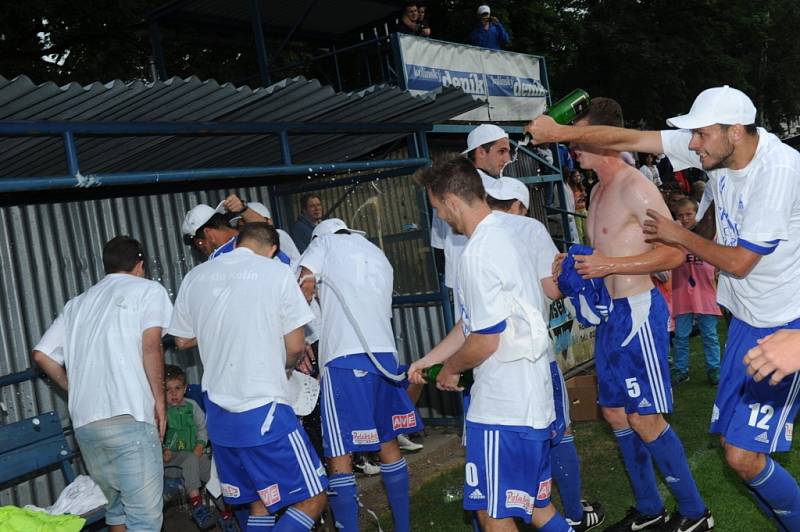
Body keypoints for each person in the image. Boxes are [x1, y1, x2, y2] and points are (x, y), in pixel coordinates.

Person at [527, 84, 800, 530]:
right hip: (747, 320)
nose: (691, 145)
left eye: (700, 135)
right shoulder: (721, 150)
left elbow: (740, 262)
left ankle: (704, 514)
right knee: (735, 454)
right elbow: (634, 138)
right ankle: (654, 509)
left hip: (784, 321)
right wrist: (559, 133)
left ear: (734, 130)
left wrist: (680, 236)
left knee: (742, 456)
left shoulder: (778, 171)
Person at [526, 97, 713, 532]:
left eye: (583, 135)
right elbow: (604, 253)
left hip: (639, 310)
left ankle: (695, 512)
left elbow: (672, 252)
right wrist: (570, 263)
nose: (575, 144)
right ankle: (650, 510)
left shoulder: (635, 186)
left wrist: (611, 266)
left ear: (606, 139)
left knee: (645, 417)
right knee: (614, 413)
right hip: (612, 317)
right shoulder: (595, 190)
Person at [410, 157, 574, 532]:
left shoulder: (479, 253)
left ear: (452, 202)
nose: (440, 218)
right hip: (527, 399)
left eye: (437, 209)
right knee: (536, 507)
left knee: (494, 515)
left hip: (505, 406)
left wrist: (450, 370)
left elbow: (485, 338)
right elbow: (472, 321)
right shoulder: (504, 232)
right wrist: (431, 358)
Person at [169, 222, 327, 532]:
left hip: (221, 417)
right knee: (313, 498)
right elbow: (295, 346)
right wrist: (285, 369)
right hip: (265, 409)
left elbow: (182, 340)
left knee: (260, 501)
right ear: (273, 250)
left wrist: (224, 324)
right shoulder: (275, 272)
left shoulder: (196, 276)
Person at [484, 176, 605, 531]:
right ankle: (570, 513)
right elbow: (552, 291)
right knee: (558, 431)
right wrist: (570, 274)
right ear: (520, 206)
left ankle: (507, 508)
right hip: (532, 352)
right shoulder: (530, 228)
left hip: (487, 353)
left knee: (501, 439)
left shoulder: (471, 233)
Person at [32, 236, 173, 531]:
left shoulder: (77, 304)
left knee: (117, 510)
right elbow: (151, 347)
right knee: (144, 520)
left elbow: (42, 354)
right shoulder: (148, 290)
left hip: (87, 425)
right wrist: (160, 402)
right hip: (129, 416)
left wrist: (75, 387)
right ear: (140, 265)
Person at [298, 218, 421, 532]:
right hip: (384, 355)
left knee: (339, 453)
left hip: (344, 358)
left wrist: (296, 342)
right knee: (388, 443)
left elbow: (304, 283)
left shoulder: (322, 243)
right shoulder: (375, 252)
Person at [670, 198, 722, 386]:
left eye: (688, 214)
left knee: (709, 335)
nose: (684, 219)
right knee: (680, 336)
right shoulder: (674, 237)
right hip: (681, 292)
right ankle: (681, 370)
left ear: (697, 214)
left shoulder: (708, 236)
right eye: (680, 216)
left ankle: (714, 369)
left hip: (705, 292)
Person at [163, 364, 215, 530]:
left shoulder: (192, 406)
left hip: (194, 455)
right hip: (171, 463)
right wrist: (162, 450)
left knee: (212, 471)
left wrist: (201, 444)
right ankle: (197, 506)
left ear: (185, 388)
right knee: (190, 458)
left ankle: (226, 511)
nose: (173, 393)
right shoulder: (160, 412)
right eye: (168, 389)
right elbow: (153, 437)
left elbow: (202, 428)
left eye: (177, 388)